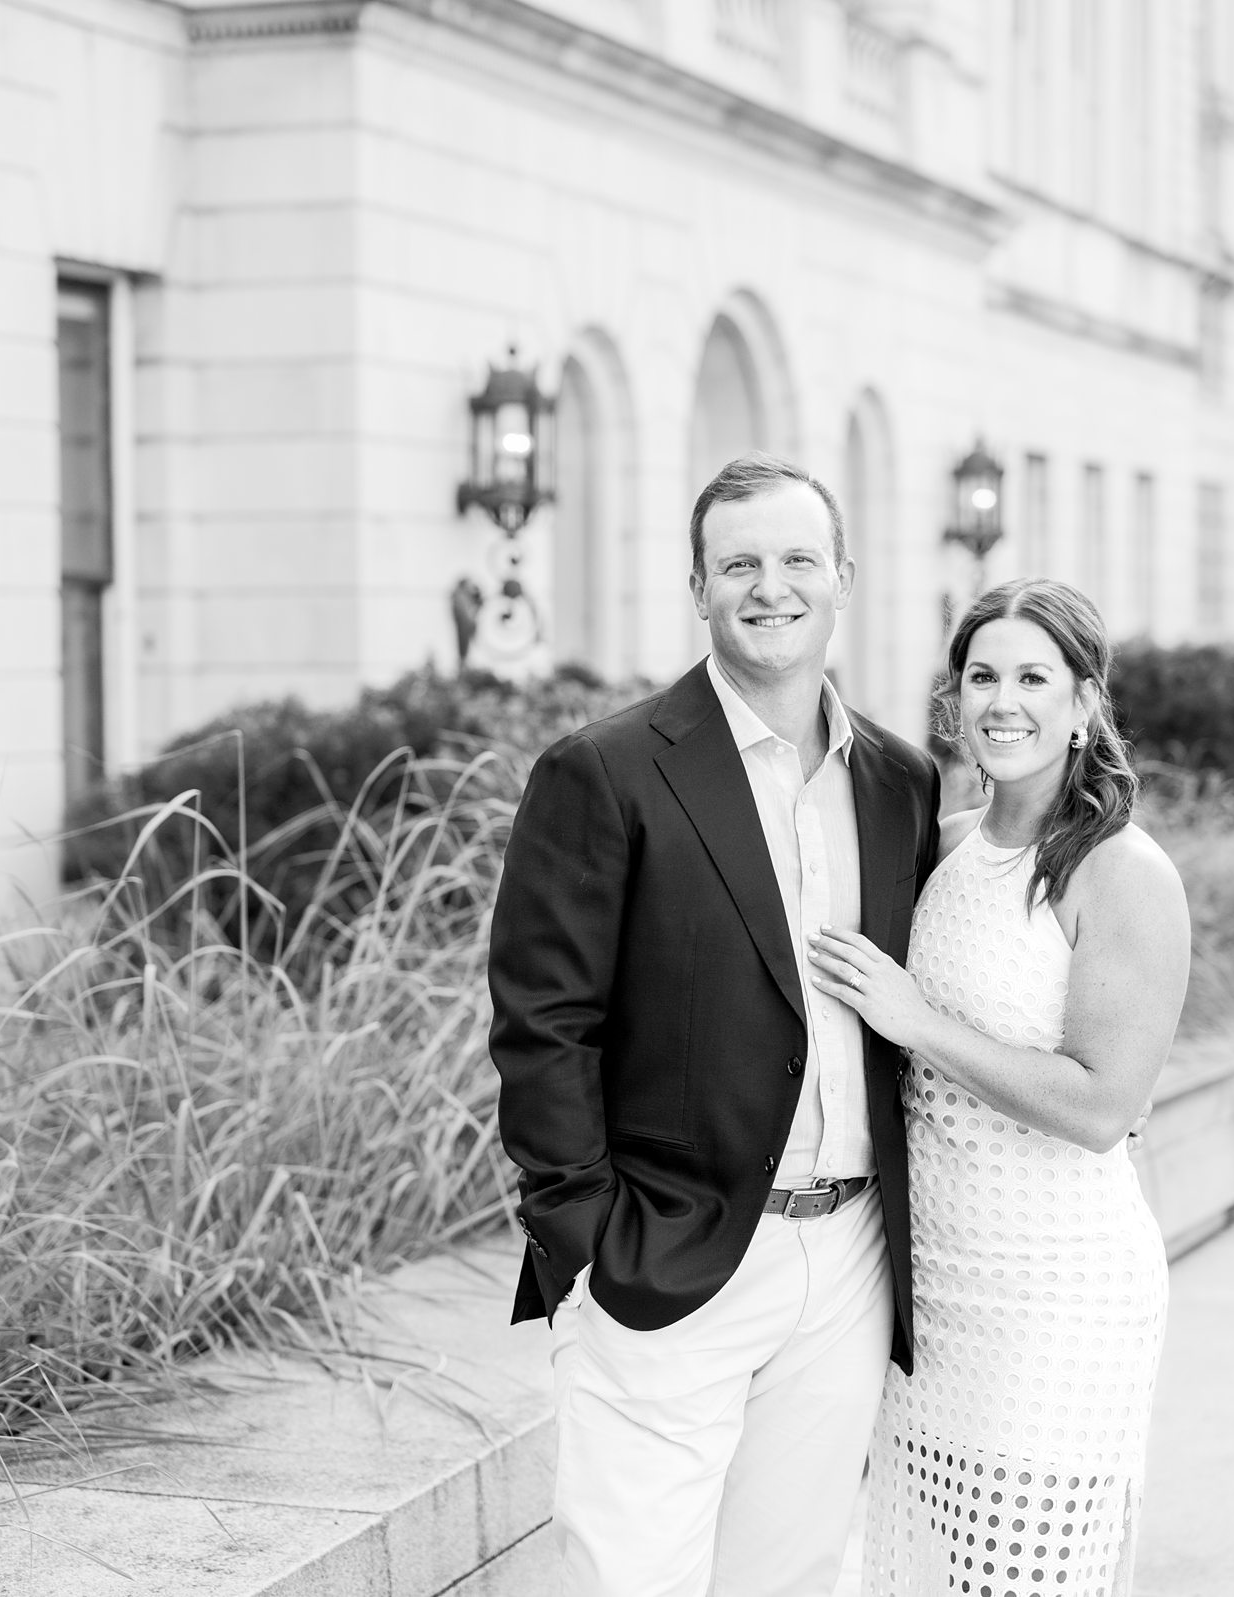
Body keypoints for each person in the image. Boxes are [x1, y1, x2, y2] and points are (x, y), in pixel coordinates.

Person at [489, 453, 943, 1597]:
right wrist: (586, 1241)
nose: (769, 585)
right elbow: (544, 1024)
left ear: (843, 578)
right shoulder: (604, 772)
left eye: (797, 559)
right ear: (698, 587)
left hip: (847, 1255)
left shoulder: (900, 784)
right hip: (663, 1255)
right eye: (738, 562)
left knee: (786, 1577)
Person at [806, 578, 1191, 1597]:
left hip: (1059, 1296)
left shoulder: (1122, 872)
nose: (1003, 700)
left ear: (1084, 703)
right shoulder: (940, 849)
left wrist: (917, 1021)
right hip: (933, 1294)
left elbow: (1103, 1107)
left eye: (1034, 676)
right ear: (955, 696)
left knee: (1020, 1580)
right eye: (983, 675)